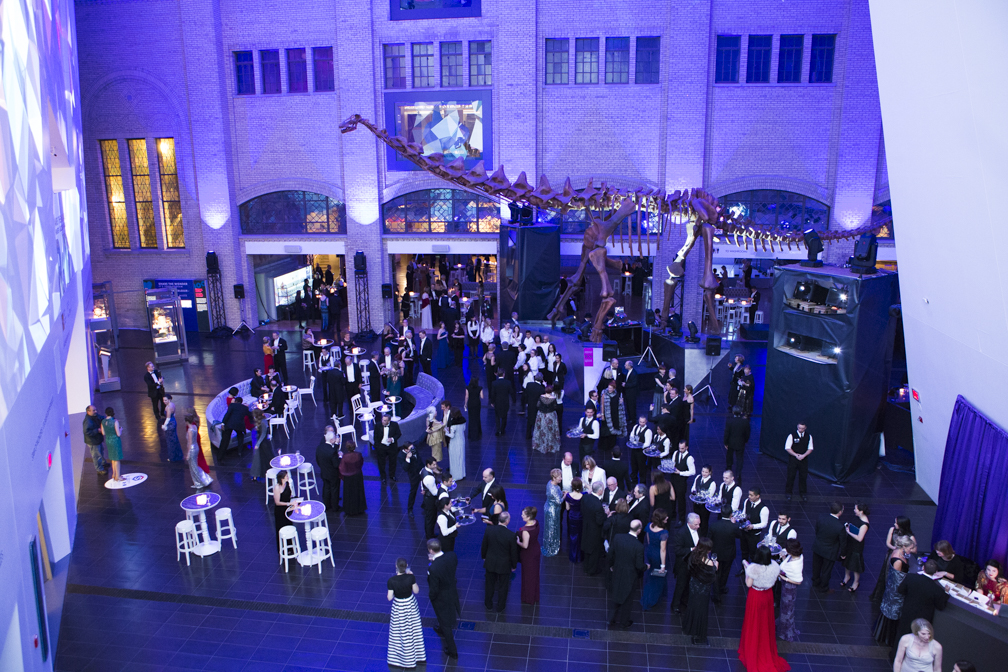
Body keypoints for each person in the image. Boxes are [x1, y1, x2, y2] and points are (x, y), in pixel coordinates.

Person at [738, 547, 789, 672]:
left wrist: (746, 569)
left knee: (753, 622)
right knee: (765, 623)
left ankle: (751, 647)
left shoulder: (753, 568)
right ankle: (765, 647)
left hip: (756, 596)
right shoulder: (775, 566)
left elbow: (749, 584)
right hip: (767, 595)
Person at [895, 560, 950, 647]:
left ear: (923, 568)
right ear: (936, 572)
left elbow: (900, 590)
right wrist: (946, 593)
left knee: (902, 633)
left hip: (907, 612)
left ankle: (895, 655)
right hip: (923, 619)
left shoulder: (910, 577)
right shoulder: (937, 590)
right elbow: (941, 606)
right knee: (917, 640)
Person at [874, 535, 915, 646]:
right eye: (910, 548)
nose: (911, 550)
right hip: (895, 592)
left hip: (893, 589)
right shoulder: (898, 560)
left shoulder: (898, 553)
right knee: (894, 612)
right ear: (904, 546)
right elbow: (897, 578)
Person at [386, 558, 425, 668]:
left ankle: (401, 658)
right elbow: (416, 591)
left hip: (399, 607)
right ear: (406, 566)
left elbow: (389, 598)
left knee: (399, 631)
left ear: (396, 567)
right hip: (411, 605)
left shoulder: (391, 581)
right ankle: (418, 655)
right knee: (413, 629)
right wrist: (412, 578)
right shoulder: (410, 577)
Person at [608, 519, 645, 630]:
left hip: (617, 571)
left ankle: (611, 618)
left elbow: (611, 553)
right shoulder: (639, 546)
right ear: (639, 530)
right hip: (630, 576)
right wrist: (646, 567)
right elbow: (639, 566)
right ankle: (624, 622)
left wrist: (611, 565)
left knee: (615, 595)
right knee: (628, 601)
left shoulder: (618, 537)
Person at [426, 539, 460, 659]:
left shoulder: (433, 568)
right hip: (452, 591)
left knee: (446, 624)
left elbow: (434, 588)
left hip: (442, 597)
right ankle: (441, 627)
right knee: (443, 618)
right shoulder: (451, 556)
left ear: (431, 550)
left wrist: (431, 597)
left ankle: (452, 651)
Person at [872, 516, 917, 602]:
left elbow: (914, 549)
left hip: (903, 556)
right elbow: (888, 543)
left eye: (896, 523)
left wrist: (905, 549)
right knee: (886, 573)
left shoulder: (910, 537)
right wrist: (896, 548)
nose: (894, 524)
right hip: (891, 554)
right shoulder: (892, 530)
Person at [682, 537, 718, 644]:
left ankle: (689, 626)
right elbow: (711, 578)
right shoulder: (709, 562)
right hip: (703, 589)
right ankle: (698, 631)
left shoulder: (693, 555)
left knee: (692, 605)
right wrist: (716, 567)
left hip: (693, 584)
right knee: (701, 609)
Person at [481, 510, 519, 612]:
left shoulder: (489, 530)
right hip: (504, 565)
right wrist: (514, 565)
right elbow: (513, 553)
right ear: (507, 521)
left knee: (489, 584)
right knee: (503, 586)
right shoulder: (511, 535)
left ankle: (488, 603)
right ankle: (500, 606)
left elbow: (484, 545)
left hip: (490, 562)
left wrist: (484, 557)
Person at [811, 501, 848, 593]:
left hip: (818, 547)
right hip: (830, 551)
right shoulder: (840, 527)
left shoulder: (821, 517)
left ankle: (815, 582)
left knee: (816, 567)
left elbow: (817, 531)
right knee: (826, 570)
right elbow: (843, 543)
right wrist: (843, 555)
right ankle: (823, 587)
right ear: (840, 512)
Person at [672, 513, 702, 613]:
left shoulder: (698, 530)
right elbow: (677, 550)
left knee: (689, 584)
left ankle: (685, 601)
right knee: (681, 585)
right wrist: (691, 549)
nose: (698, 526)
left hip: (694, 563)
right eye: (696, 525)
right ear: (689, 523)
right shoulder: (681, 533)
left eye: (699, 524)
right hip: (683, 565)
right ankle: (675, 605)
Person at [641, 508, 670, 610]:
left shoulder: (649, 526)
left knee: (650, 574)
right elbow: (663, 550)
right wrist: (663, 565)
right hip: (658, 556)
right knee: (658, 577)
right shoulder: (664, 533)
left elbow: (648, 541)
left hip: (649, 552)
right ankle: (652, 599)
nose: (667, 518)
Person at [777, 539, 804, 641]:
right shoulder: (797, 557)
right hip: (787, 587)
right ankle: (788, 629)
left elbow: (799, 581)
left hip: (789, 588)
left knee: (786, 610)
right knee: (788, 609)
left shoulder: (794, 565)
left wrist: (785, 578)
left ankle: (785, 633)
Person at [709, 510, 739, 600]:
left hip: (716, 553)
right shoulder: (734, 527)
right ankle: (722, 588)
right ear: (731, 515)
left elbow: (709, 538)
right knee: (725, 572)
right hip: (729, 554)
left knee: (716, 572)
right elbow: (739, 535)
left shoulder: (714, 525)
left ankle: (716, 592)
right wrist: (733, 524)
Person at [842, 502, 871, 592]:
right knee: (847, 560)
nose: (854, 510)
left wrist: (849, 532)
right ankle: (847, 576)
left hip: (856, 546)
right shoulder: (857, 517)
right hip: (850, 542)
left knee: (855, 564)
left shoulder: (864, 524)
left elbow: (859, 538)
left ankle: (856, 582)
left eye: (856, 509)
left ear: (861, 511)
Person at [581, 481, 608, 576]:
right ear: (600, 491)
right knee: (594, 551)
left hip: (585, 526)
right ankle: (592, 570)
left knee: (587, 548)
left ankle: (586, 567)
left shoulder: (585, 497)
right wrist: (606, 514)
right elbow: (600, 521)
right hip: (595, 531)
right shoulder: (598, 505)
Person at [516, 506, 541, 604]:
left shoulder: (525, 530)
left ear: (529, 517)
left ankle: (529, 597)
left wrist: (518, 542)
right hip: (536, 550)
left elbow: (525, 546)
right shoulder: (536, 522)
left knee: (528, 576)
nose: (521, 516)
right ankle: (535, 595)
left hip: (528, 555)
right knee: (534, 574)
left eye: (523, 515)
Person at [738, 488, 769, 565]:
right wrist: (740, 517)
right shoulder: (747, 502)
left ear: (757, 496)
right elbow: (744, 513)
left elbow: (764, 523)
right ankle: (743, 568)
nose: (749, 496)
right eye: (749, 494)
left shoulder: (763, 509)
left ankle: (753, 570)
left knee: (753, 553)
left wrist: (753, 526)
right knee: (744, 551)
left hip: (754, 535)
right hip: (744, 532)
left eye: (751, 495)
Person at [783, 422, 813, 502]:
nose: (800, 430)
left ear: (805, 428)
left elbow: (810, 448)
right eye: (799, 428)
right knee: (791, 476)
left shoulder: (808, 436)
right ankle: (788, 492)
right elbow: (787, 447)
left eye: (802, 428)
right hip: (793, 459)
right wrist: (796, 455)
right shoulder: (792, 435)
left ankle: (803, 493)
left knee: (803, 476)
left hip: (803, 459)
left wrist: (804, 455)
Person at [669, 440, 696, 525]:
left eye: (682, 448)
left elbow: (693, 472)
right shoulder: (676, 453)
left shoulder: (689, 458)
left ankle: (681, 519)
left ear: (686, 447)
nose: (680, 450)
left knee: (681, 501)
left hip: (681, 482)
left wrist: (680, 473)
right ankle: (672, 514)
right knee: (672, 498)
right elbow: (673, 463)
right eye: (679, 448)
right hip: (673, 479)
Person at [316, 426, 341, 512]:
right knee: (334, 490)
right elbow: (336, 464)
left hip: (324, 472)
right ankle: (335, 507)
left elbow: (317, 460)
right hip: (333, 474)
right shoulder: (332, 451)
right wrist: (340, 457)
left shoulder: (319, 448)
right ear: (331, 440)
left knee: (326, 488)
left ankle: (326, 504)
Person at [723, 405, 751, 482]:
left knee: (729, 456)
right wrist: (745, 440)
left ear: (733, 412)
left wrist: (725, 442)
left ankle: (729, 468)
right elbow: (747, 433)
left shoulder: (729, 421)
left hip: (731, 443)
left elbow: (726, 433)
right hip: (740, 443)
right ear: (741, 412)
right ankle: (738, 472)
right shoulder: (745, 422)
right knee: (740, 458)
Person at [185, 412, 212, 489]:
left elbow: (189, 443)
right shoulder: (194, 426)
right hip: (196, 447)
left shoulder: (190, 430)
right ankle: (203, 480)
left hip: (192, 449)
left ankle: (199, 483)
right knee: (195, 465)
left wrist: (188, 454)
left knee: (193, 467)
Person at [339, 441, 366, 516]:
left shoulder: (345, 457)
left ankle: (349, 509)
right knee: (358, 492)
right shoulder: (358, 455)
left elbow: (342, 468)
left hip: (348, 477)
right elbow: (361, 463)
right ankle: (360, 508)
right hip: (357, 475)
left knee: (349, 493)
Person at [532, 384, 560, 454]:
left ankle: (540, 445)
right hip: (550, 415)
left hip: (541, 415)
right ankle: (550, 446)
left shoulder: (541, 397)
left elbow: (538, 405)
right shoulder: (553, 398)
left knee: (541, 429)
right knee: (551, 431)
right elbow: (555, 407)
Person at [690, 465, 717, 536]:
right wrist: (694, 492)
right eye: (703, 471)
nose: (704, 473)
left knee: (704, 522)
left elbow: (710, 495)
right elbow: (693, 488)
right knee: (695, 520)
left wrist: (701, 496)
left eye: (706, 472)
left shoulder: (712, 483)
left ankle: (703, 537)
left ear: (710, 473)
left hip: (704, 507)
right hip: (696, 504)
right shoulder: (698, 477)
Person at [543, 469, 564, 558]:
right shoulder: (554, 489)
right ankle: (551, 547)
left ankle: (550, 545)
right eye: (559, 477)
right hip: (553, 511)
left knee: (549, 527)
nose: (561, 479)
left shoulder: (550, 483)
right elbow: (559, 501)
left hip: (549, 507)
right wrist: (565, 495)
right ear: (554, 478)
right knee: (552, 528)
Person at [82, 406, 109, 475]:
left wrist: (107, 419)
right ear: (88, 412)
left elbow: (101, 417)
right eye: (94, 410)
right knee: (97, 455)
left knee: (101, 451)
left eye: (95, 410)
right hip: (93, 442)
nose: (96, 411)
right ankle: (99, 469)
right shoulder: (88, 421)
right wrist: (97, 430)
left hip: (97, 439)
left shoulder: (94, 416)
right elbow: (87, 432)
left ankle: (103, 463)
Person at [375, 414, 400, 485]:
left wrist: (392, 439)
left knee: (393, 462)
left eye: (385, 420)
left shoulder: (394, 425)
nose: (383, 421)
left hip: (391, 446)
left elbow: (398, 434)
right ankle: (383, 477)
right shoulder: (378, 425)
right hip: (381, 447)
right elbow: (375, 437)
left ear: (389, 421)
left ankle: (392, 475)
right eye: (382, 420)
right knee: (381, 463)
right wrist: (378, 446)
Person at [99, 407, 124, 482]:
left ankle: (114, 474)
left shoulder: (103, 421)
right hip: (115, 441)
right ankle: (118, 476)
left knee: (113, 458)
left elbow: (103, 433)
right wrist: (121, 429)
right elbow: (118, 434)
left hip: (108, 440)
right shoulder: (115, 422)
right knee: (117, 459)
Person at [564, 477, 585, 563]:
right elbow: (591, 490)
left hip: (572, 517)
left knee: (573, 536)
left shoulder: (568, 496)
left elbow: (567, 508)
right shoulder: (584, 495)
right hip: (581, 517)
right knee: (580, 536)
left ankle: (573, 556)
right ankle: (580, 556)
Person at [272, 469, 293, 550]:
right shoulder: (277, 488)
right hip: (280, 511)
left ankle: (290, 547)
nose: (288, 477)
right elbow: (277, 502)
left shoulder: (287, 484)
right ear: (282, 478)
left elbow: (289, 495)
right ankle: (282, 548)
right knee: (282, 528)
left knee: (289, 526)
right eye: (286, 476)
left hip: (287, 509)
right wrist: (288, 504)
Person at [250, 411, 273, 482]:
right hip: (262, 443)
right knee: (264, 458)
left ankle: (257, 475)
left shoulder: (263, 422)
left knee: (265, 458)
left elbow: (263, 434)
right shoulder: (263, 421)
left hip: (263, 444)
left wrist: (258, 444)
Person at [445, 406, 467, 481]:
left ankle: (456, 475)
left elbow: (452, 435)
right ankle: (462, 473)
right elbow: (464, 429)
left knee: (454, 458)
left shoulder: (453, 424)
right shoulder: (463, 420)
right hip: (462, 440)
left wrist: (446, 432)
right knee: (461, 457)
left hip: (454, 442)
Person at [490, 370, 512, 436]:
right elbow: (511, 391)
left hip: (497, 401)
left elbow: (493, 393)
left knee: (497, 416)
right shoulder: (508, 382)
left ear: (497, 374)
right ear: (504, 374)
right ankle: (502, 429)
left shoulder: (494, 383)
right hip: (505, 401)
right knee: (504, 416)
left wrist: (492, 402)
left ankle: (498, 430)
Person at [162, 397, 183, 462]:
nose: (164, 401)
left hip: (170, 424)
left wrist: (164, 426)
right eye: (163, 400)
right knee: (174, 439)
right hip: (173, 421)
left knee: (170, 441)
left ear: (169, 399)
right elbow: (174, 413)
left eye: (165, 400)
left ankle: (172, 457)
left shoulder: (168, 407)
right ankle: (178, 455)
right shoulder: (172, 404)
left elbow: (168, 418)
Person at [464, 374, 483, 441]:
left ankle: (471, 433)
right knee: (477, 417)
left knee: (471, 418)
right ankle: (478, 432)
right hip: (477, 403)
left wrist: (465, 404)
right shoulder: (480, 388)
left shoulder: (468, 388)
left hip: (471, 403)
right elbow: (482, 397)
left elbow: (466, 397)